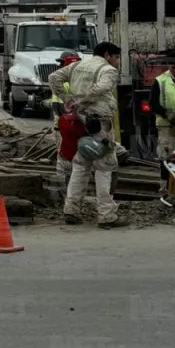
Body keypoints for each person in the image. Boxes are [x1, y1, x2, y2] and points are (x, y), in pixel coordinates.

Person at [48, 40, 128, 228]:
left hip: (81, 121)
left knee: (81, 165)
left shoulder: (77, 65)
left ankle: (71, 209)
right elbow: (101, 88)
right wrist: (84, 101)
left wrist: (69, 100)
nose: (117, 62)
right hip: (100, 122)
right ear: (108, 55)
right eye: (116, 57)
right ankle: (107, 215)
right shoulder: (107, 70)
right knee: (105, 167)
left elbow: (53, 78)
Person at [48, 50, 81, 198]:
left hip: (64, 127)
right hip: (76, 127)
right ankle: (72, 192)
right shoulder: (81, 81)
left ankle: (63, 193)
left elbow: (57, 106)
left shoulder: (61, 81)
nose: (59, 66)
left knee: (63, 161)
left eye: (61, 63)